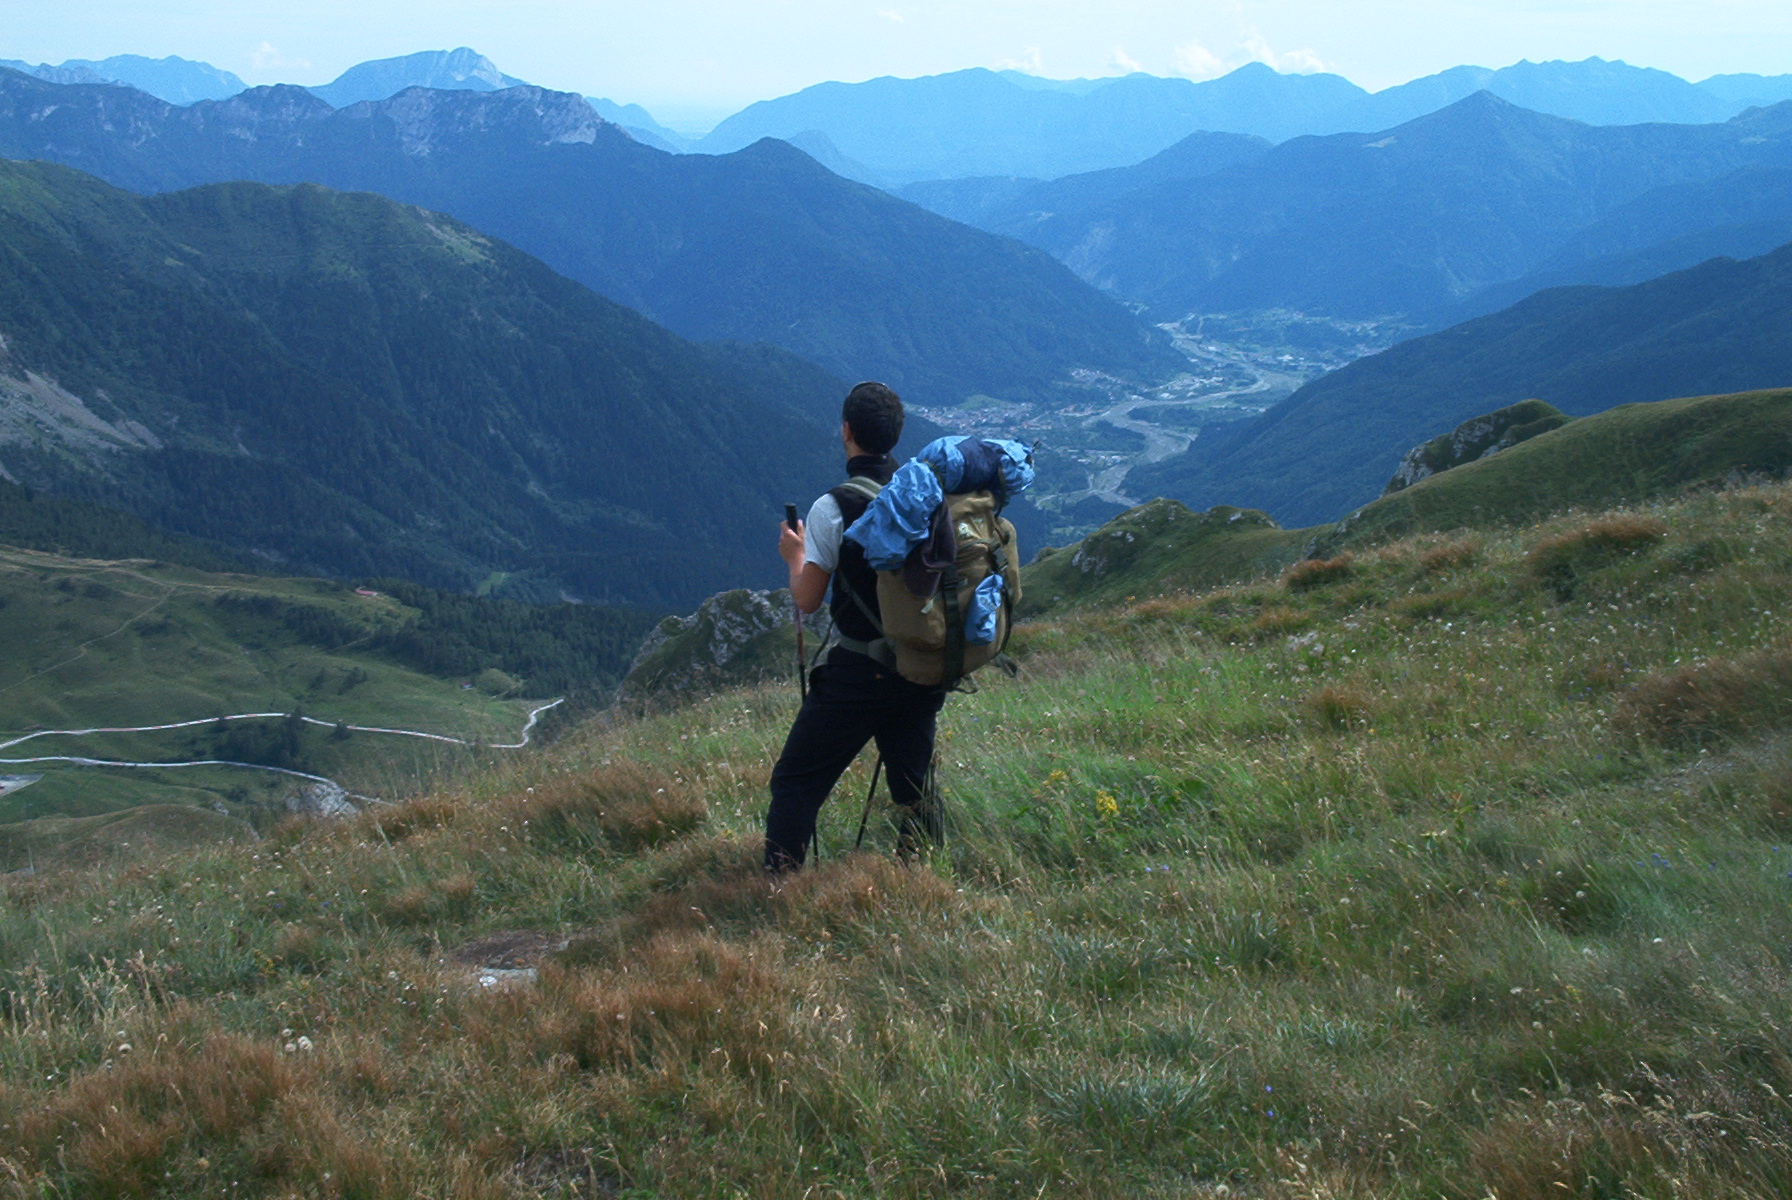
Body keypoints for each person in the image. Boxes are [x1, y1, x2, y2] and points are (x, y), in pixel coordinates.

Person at [764, 381, 945, 873]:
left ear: (846, 430)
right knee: (914, 785)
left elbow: (807, 599)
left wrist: (795, 555)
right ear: (897, 433)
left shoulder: (834, 507)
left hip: (860, 671)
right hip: (921, 664)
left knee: (797, 781)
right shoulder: (925, 495)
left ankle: (778, 886)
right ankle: (923, 874)